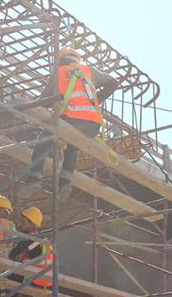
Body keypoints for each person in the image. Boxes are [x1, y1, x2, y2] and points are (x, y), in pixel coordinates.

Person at [19, 48, 121, 202]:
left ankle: (34, 180)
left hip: (71, 118)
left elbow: (43, 101)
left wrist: (27, 109)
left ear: (60, 60)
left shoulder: (59, 73)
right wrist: (96, 100)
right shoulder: (88, 71)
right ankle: (65, 184)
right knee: (71, 149)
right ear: (77, 59)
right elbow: (114, 82)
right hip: (93, 124)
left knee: (42, 143)